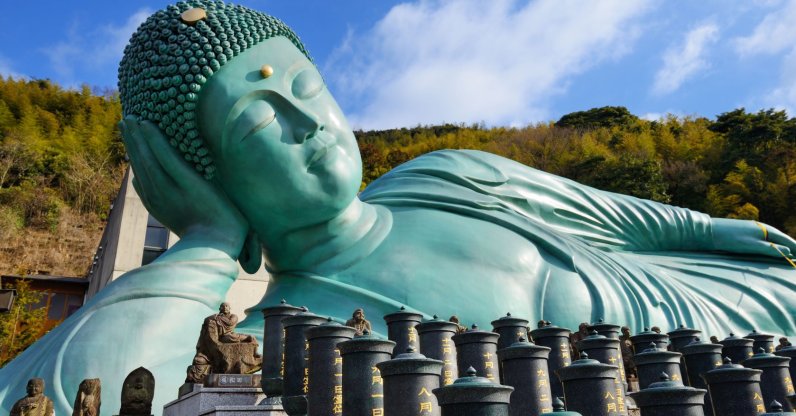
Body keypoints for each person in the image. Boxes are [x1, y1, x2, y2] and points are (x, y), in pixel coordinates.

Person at [1, 2, 795, 414]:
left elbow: (615, 217)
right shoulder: (282, 338)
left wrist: (709, 225)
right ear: (202, 177)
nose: (307, 122)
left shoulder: (444, 175)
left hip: (733, 309)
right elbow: (77, 395)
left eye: (306, 89)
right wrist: (206, 240)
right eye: (260, 123)